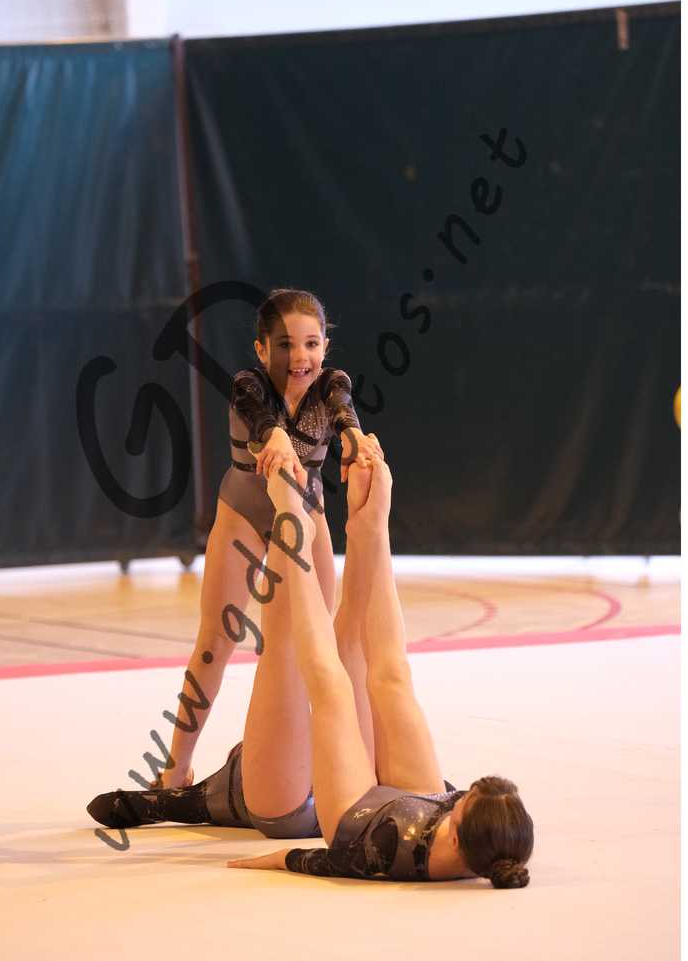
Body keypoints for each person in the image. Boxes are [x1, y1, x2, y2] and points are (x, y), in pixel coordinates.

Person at [89, 455, 534, 887]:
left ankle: (292, 532)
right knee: (391, 675)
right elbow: (472, 822)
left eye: (461, 804)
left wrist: (279, 860)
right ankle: (371, 526)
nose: (457, 797)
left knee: (325, 682)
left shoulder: (385, 847)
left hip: (329, 809)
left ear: (455, 838)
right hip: (389, 794)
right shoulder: (482, 846)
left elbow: (328, 860)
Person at [147, 288, 383, 789]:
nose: (300, 357)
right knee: (215, 643)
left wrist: (355, 439)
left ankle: (346, 762)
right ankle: (174, 771)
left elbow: (344, 414)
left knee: (323, 646)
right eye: (285, 344)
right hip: (243, 518)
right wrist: (274, 436)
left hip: (304, 521)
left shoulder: (332, 384)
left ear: (324, 347)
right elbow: (260, 420)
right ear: (261, 349)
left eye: (311, 344)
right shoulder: (247, 384)